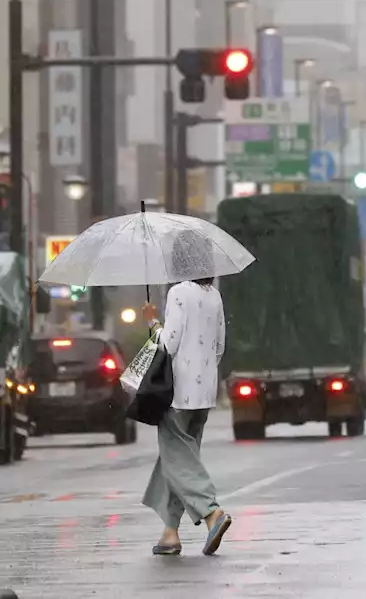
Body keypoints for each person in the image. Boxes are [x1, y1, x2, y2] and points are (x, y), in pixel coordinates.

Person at [139, 230, 232, 556]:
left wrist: (152, 322)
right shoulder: (214, 295)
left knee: (178, 461)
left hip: (177, 393)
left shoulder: (179, 292)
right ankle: (170, 534)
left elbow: (168, 343)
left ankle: (211, 512)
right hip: (204, 393)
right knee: (177, 460)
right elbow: (219, 346)